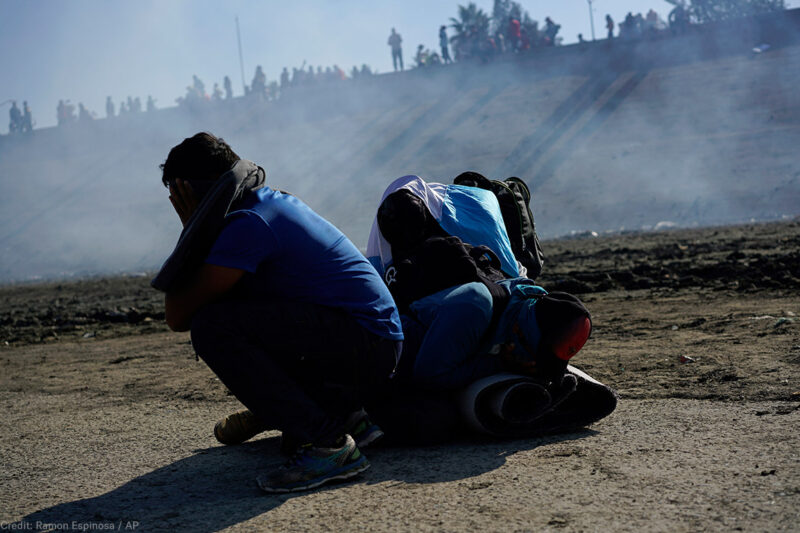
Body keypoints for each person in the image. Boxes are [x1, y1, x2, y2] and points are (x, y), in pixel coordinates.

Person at [154, 132, 403, 493]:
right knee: (235, 309)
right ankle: (347, 416)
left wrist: (191, 229)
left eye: (177, 195)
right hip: (373, 345)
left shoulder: (249, 223)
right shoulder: (265, 204)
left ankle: (329, 446)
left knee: (212, 326)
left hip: (366, 345)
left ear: (188, 190)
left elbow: (178, 316)